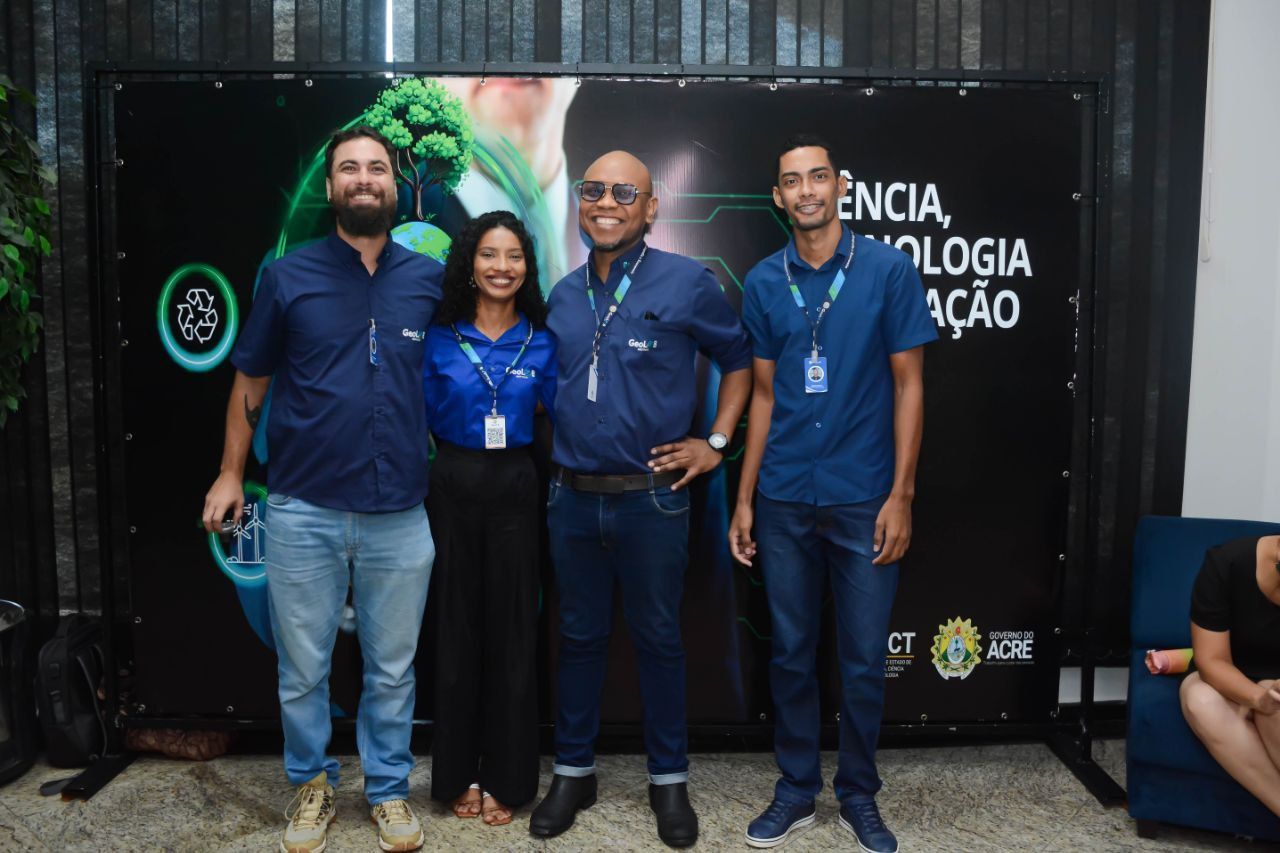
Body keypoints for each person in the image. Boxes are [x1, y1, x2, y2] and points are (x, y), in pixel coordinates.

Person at [201, 126, 442, 853]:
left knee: (393, 667)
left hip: (400, 509)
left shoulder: (432, 279)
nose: (363, 179)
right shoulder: (288, 275)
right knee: (302, 667)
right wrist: (231, 470)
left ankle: (390, 789)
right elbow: (251, 377)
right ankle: (311, 784)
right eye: (349, 169)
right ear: (332, 186)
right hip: (303, 508)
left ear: (394, 184)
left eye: (376, 168)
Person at [528, 150, 753, 848]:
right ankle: (573, 771)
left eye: (625, 190)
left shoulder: (688, 282)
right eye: (592, 188)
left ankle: (669, 781)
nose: (606, 200)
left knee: (659, 640)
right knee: (579, 638)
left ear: (651, 207)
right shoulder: (561, 293)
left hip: (651, 502)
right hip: (570, 499)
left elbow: (740, 362)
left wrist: (714, 442)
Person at [729, 135, 937, 852]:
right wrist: (747, 498)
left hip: (862, 497)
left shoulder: (887, 269)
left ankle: (858, 793)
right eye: (793, 180)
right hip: (784, 494)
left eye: (818, 177)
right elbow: (761, 393)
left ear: (840, 186)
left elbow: (910, 386)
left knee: (861, 654)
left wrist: (902, 494)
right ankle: (795, 788)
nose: (807, 190)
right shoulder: (762, 280)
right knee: (789, 650)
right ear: (779, 195)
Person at [422, 211, 556, 826]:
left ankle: (507, 777)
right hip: (450, 485)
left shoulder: (545, 339)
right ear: (470, 266)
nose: (502, 267)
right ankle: (457, 773)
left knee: (512, 637)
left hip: (516, 488)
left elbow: (560, 424)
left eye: (514, 257)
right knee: (455, 633)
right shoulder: (439, 337)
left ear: (527, 268)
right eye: (489, 255)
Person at [1180, 533, 1280, 817]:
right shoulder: (1227, 562)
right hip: (1230, 678)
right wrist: (1258, 698)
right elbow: (1211, 661)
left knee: (1277, 712)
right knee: (1200, 699)